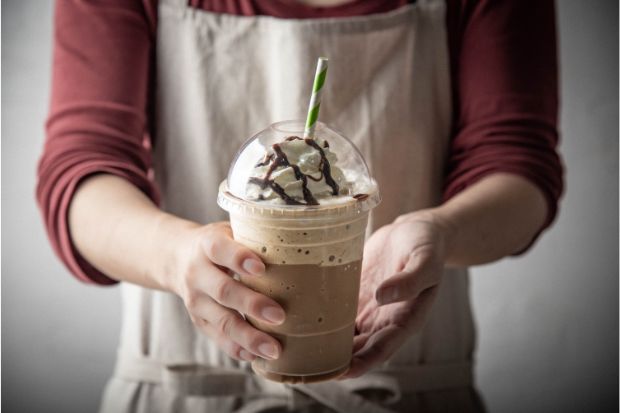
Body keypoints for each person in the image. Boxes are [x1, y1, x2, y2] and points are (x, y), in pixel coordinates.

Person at [36, 0, 563, 412]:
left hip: (408, 389)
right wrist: (177, 257)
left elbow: (518, 165)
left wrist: (438, 229)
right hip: (182, 392)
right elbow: (81, 172)